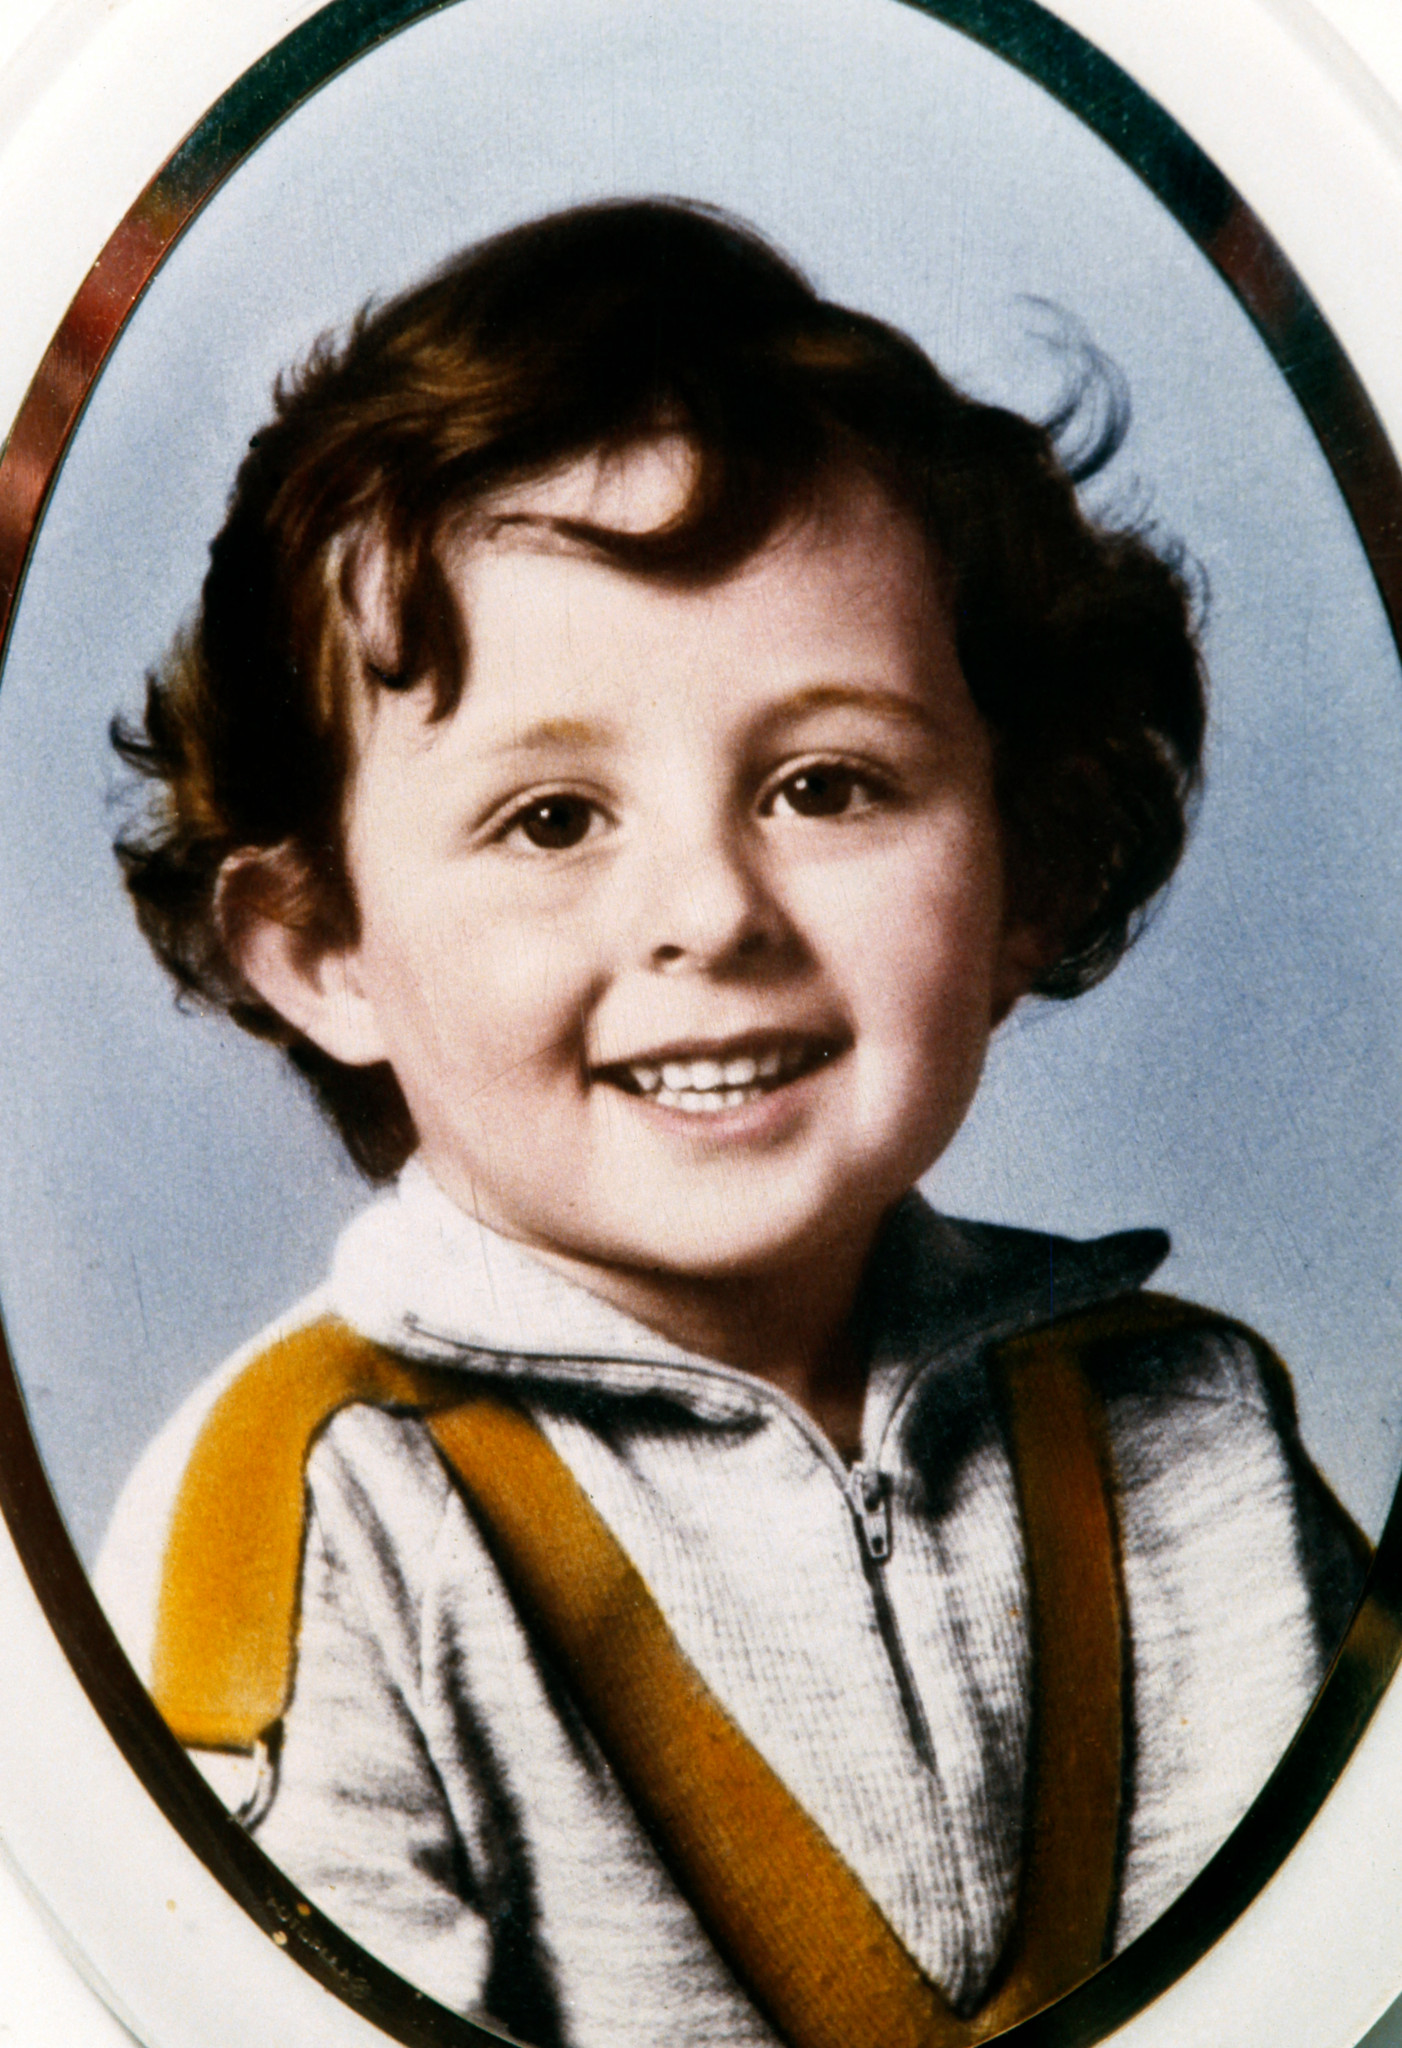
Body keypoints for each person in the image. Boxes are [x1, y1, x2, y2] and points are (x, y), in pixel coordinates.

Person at [94, 199, 1367, 2048]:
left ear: (1029, 869)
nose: (712, 912)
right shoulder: (312, 1527)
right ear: (321, 951)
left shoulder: (1193, 1443)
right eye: (552, 819)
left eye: (825, 784)